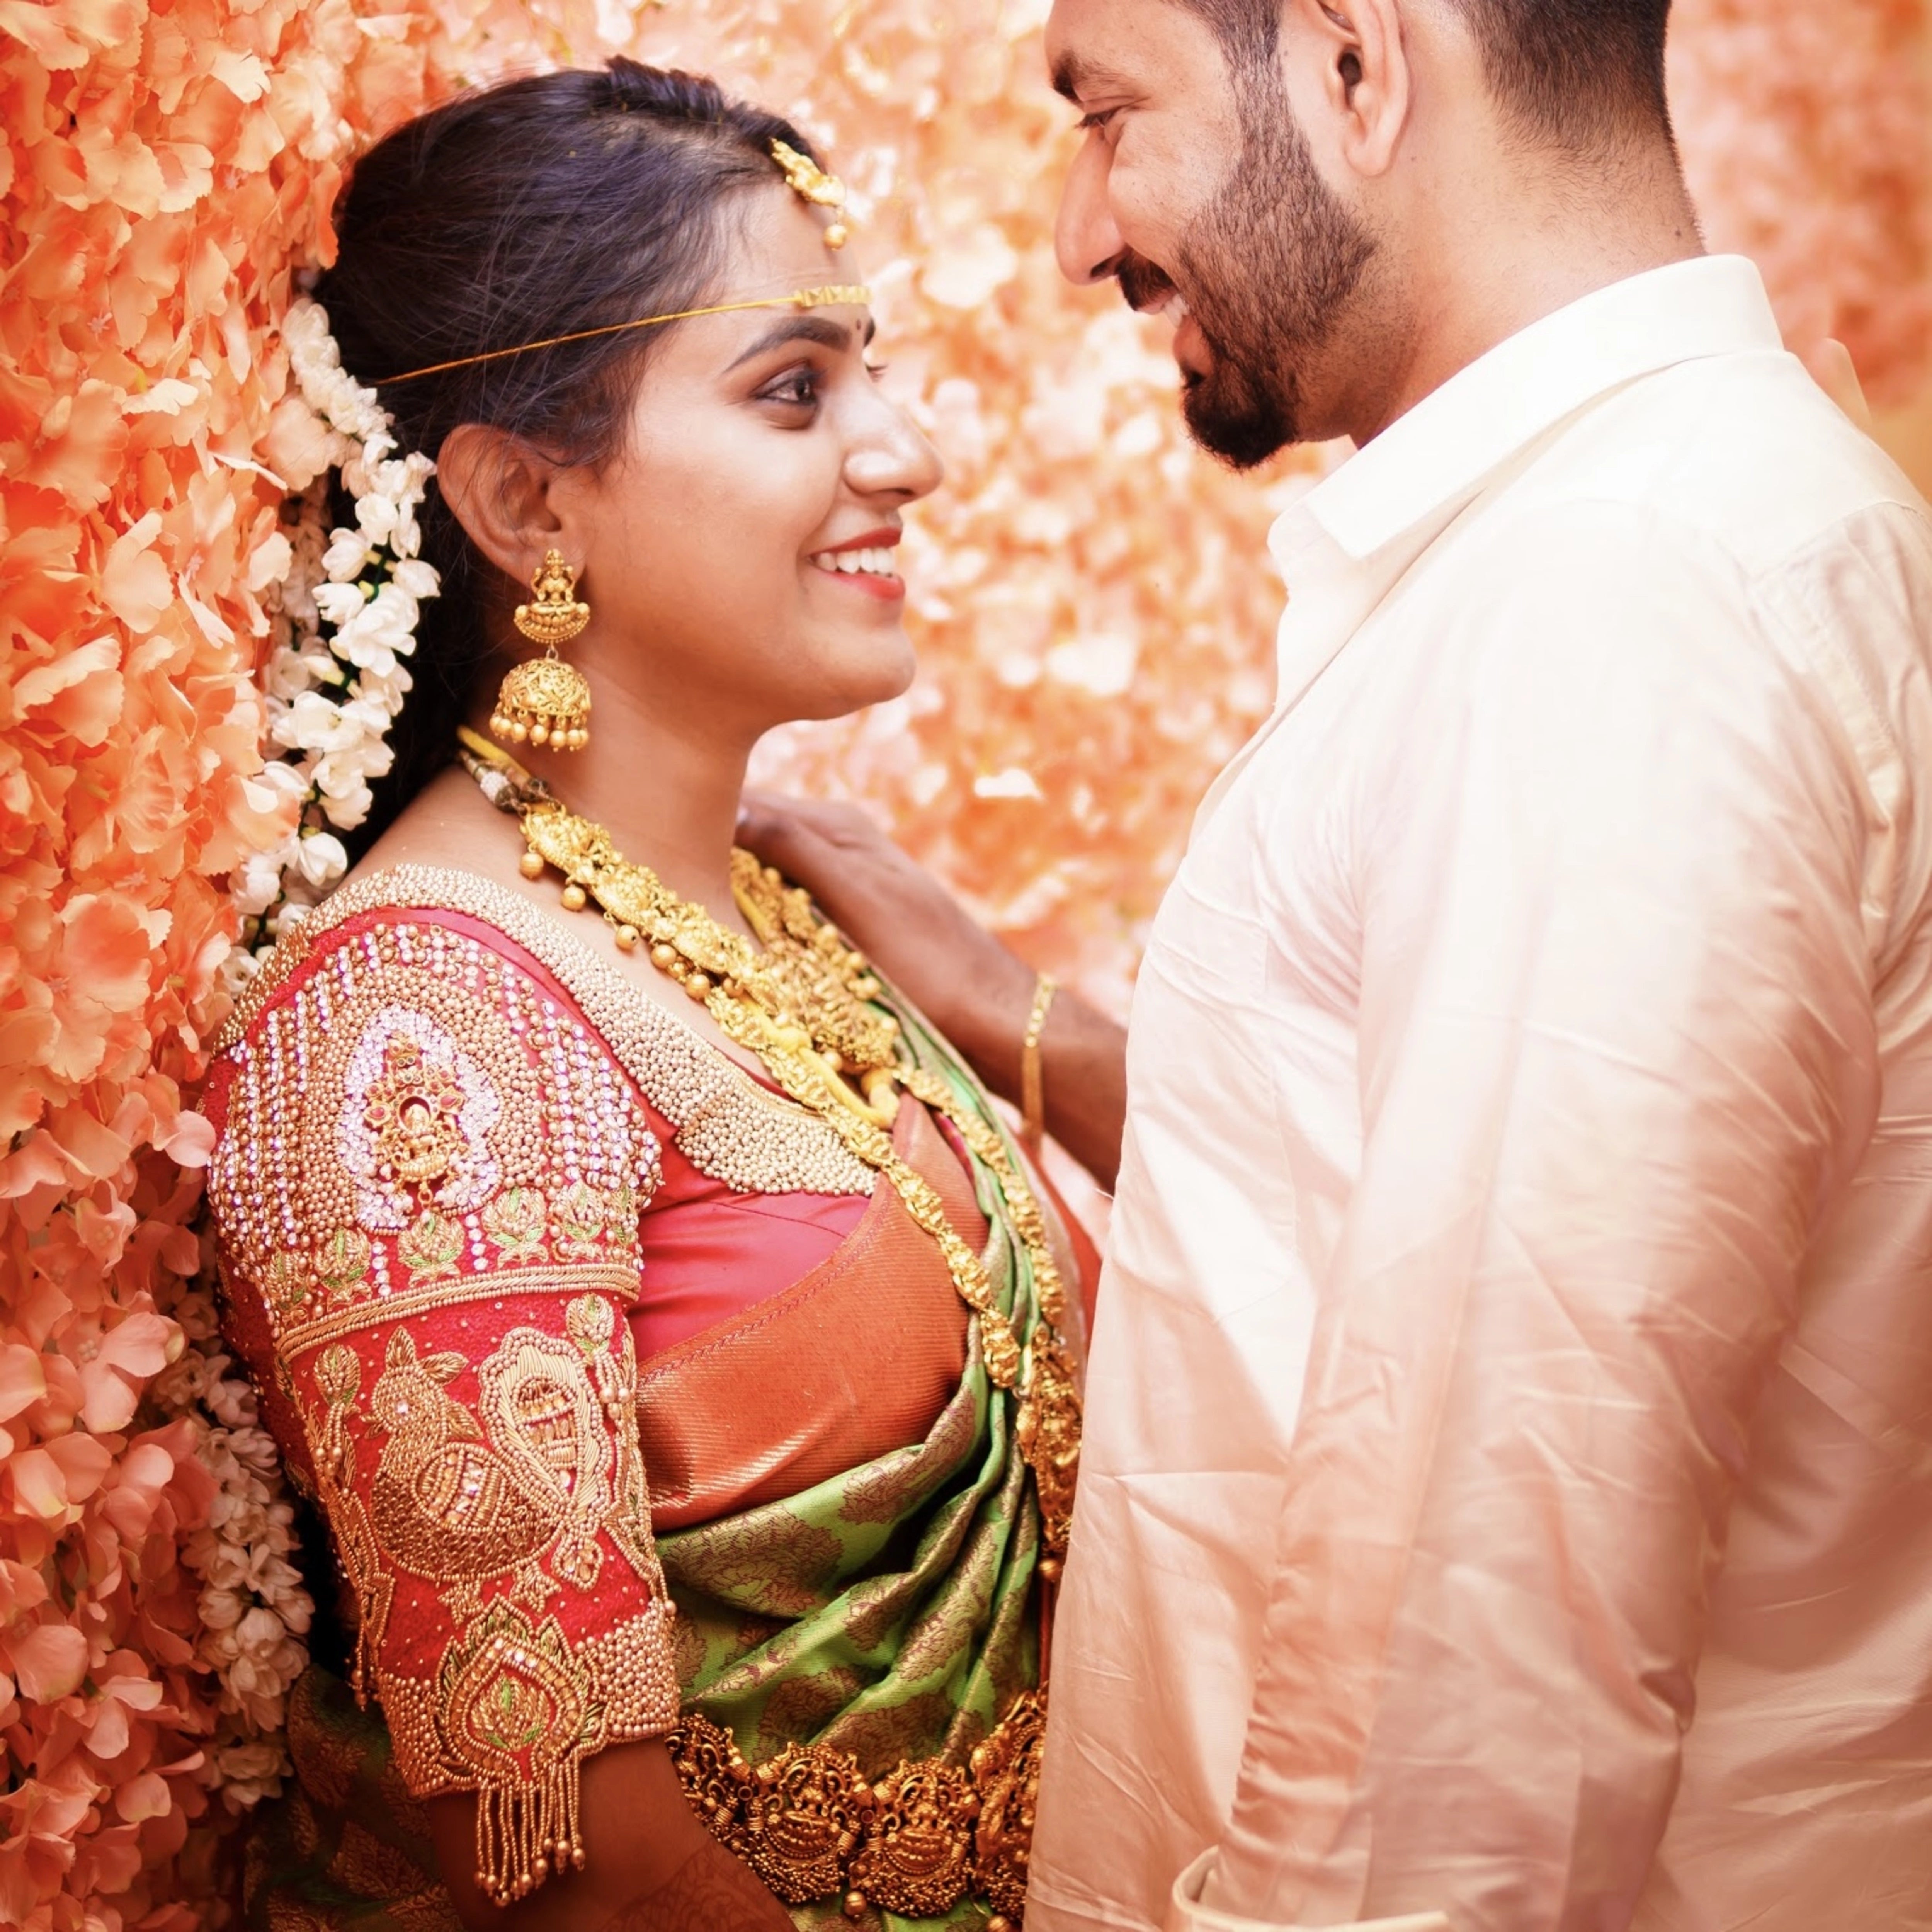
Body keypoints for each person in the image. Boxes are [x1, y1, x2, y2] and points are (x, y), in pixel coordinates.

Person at [739, 2, 1932, 1928]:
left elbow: (1480, 1697)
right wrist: (1020, 1020)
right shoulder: (1618, 540)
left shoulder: (1618, 593)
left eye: (1107, 116)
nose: (1080, 234)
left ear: (1354, 68)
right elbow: (1412, 1209)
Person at [202, 60, 1095, 1932]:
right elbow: (567, 1860)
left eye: (868, 371)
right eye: (795, 390)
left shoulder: (790, 916)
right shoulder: (419, 1024)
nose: (906, 454)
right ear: (525, 501)